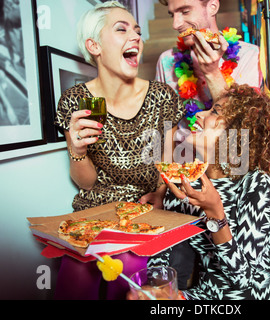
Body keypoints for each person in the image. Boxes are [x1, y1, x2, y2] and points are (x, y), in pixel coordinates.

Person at [144, 0, 270, 300]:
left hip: (238, 159)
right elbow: (164, 128)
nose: (176, 24)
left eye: (185, 11)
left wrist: (212, 72)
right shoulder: (167, 61)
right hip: (189, 161)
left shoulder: (248, 55)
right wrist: (160, 185)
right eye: (171, 14)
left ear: (213, 6)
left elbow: (242, 131)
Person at [53, 1, 185, 299]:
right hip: (94, 213)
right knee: (76, 270)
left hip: (143, 212)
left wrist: (161, 194)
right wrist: (77, 150)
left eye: (137, 31)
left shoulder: (162, 96)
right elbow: (85, 182)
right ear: (94, 46)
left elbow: (167, 163)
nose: (136, 36)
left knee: (126, 267)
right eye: (122, 29)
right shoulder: (76, 101)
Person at [149, 83, 270, 299]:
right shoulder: (183, 183)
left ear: (236, 133)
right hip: (206, 296)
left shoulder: (256, 185)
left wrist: (216, 214)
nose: (198, 115)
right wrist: (158, 290)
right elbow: (162, 251)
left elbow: (243, 279)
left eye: (215, 111)